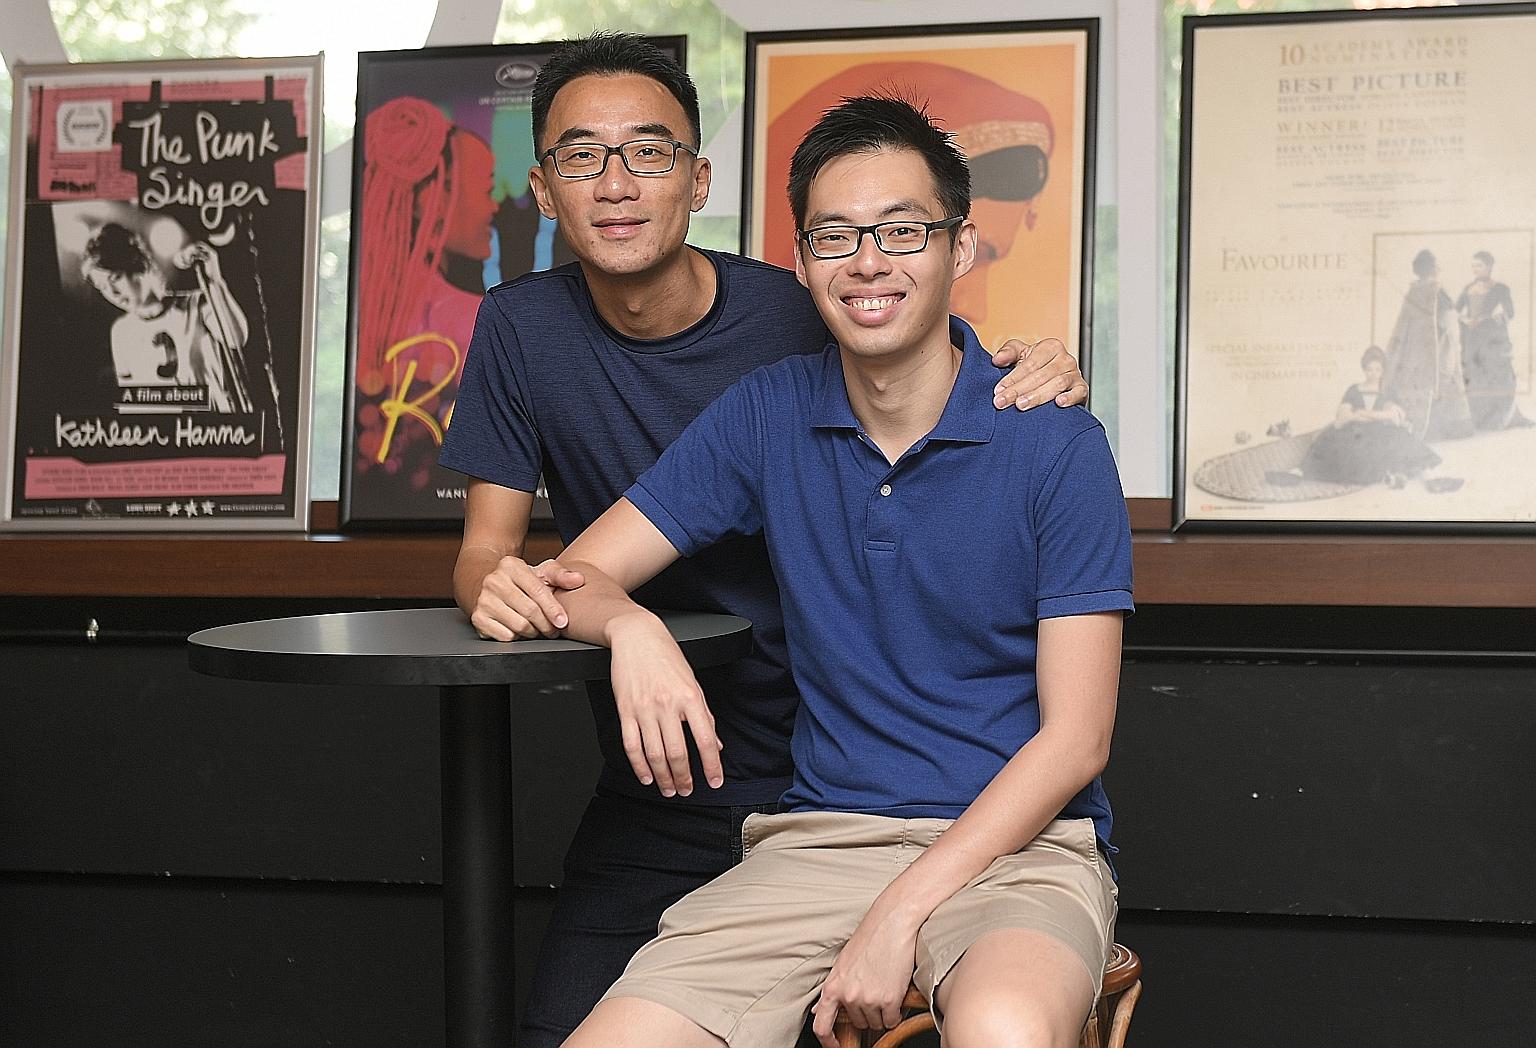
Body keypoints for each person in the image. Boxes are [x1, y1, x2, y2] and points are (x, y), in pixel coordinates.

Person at [437, 33, 1091, 1048]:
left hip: (931, 806)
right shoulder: (756, 406)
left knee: (998, 1021)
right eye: (836, 238)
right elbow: (537, 564)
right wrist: (629, 628)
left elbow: (1076, 737)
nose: (867, 262)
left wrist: (1035, 365)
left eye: (647, 152)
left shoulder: (1020, 425)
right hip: (746, 800)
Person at [354, 97, 498, 467]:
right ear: (428, 200)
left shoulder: (359, 321)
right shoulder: (479, 323)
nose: (494, 206)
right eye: (486, 189)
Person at [81, 222, 251, 413]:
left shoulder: (196, 304)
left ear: (140, 265)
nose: (113, 293)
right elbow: (131, 405)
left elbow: (237, 338)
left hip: (210, 431)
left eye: (115, 278)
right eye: (102, 287)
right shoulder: (121, 331)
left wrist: (215, 280)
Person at [1297, 345, 1440, 487]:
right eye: (1369, 369)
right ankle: (1299, 471)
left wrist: (1364, 413)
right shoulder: (1354, 389)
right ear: (1364, 370)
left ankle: (1427, 473)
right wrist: (1357, 416)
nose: (1373, 373)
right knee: (1331, 440)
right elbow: (1341, 418)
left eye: (1377, 369)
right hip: (1356, 431)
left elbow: (1395, 417)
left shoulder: (1386, 391)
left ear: (1382, 371)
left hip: (1379, 432)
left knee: (1401, 438)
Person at [1382, 249, 1473, 442]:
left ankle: (1425, 426)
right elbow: (1448, 319)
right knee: (1443, 380)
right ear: (1431, 268)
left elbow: (1405, 323)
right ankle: (1445, 429)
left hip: (1416, 349)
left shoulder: (1412, 291)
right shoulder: (1437, 290)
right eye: (1436, 264)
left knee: (1423, 383)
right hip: (1438, 347)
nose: (1439, 268)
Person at [1456, 250, 1528, 430]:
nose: (1475, 269)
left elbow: (1510, 312)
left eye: (1479, 265)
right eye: (1473, 266)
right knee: (1475, 376)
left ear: (1489, 267)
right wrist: (1464, 319)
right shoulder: (1467, 288)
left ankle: (1499, 419)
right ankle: (1479, 418)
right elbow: (1455, 310)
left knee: (1497, 376)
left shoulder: (1501, 288)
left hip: (1492, 340)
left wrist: (1497, 316)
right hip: (1472, 339)